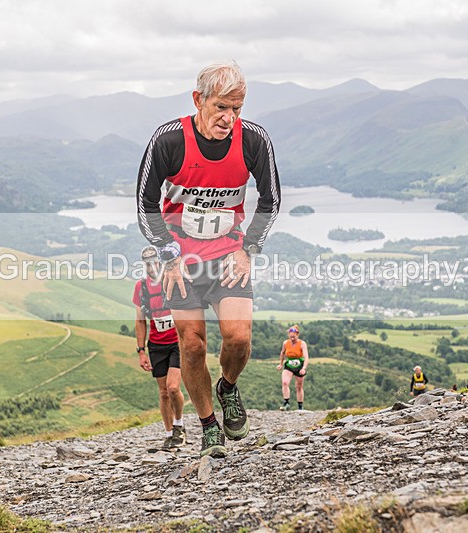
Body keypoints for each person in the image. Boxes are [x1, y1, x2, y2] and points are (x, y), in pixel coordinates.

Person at [136, 60, 281, 457]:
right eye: (221, 107)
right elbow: (145, 204)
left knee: (238, 338)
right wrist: (169, 255)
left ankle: (228, 387)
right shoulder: (169, 140)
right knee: (194, 345)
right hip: (181, 259)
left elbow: (271, 200)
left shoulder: (253, 140)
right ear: (198, 100)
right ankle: (207, 425)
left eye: (237, 108)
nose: (229, 118)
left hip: (228, 253)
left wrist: (248, 249)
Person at [133, 246, 186, 450]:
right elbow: (140, 320)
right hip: (156, 345)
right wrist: (141, 351)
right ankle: (168, 433)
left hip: (176, 342)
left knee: (173, 387)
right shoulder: (141, 287)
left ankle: (179, 425)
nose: (152, 266)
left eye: (155, 261)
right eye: (147, 263)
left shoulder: (170, 278)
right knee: (163, 392)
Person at [277, 324, 309, 411]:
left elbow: (306, 357)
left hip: (299, 365)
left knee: (299, 386)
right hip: (289, 364)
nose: (292, 338)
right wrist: (280, 363)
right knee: (285, 382)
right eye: (291, 337)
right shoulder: (286, 343)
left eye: (294, 337)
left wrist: (304, 368)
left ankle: (300, 406)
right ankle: (286, 403)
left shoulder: (302, 344)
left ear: (297, 335)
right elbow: (282, 353)